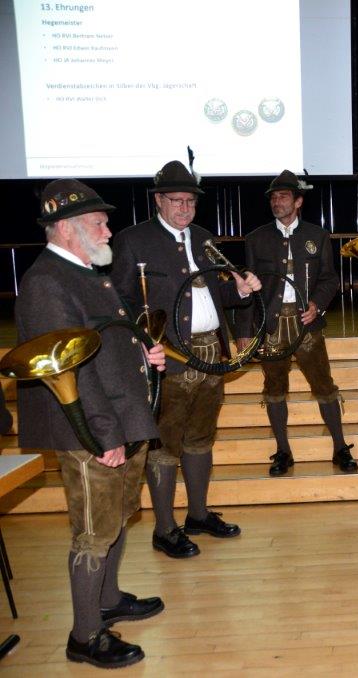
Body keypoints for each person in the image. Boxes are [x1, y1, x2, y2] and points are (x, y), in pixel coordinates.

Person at [17, 179, 166, 668]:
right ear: (66, 228)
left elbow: (106, 339)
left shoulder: (84, 272)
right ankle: (85, 636)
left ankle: (108, 599)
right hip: (91, 429)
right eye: (98, 223)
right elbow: (71, 369)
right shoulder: (47, 282)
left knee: (116, 516)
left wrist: (144, 352)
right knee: (93, 532)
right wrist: (103, 435)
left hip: (120, 416)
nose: (108, 230)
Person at [111, 160, 261, 559]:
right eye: (176, 201)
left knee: (200, 438)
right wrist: (140, 345)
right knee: (164, 445)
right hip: (169, 359)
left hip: (212, 354)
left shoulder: (204, 238)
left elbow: (214, 294)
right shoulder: (133, 241)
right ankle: (165, 529)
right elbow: (120, 304)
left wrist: (240, 289)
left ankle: (197, 515)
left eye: (190, 201)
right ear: (158, 201)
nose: (184, 208)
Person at [235, 170, 353, 476]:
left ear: (298, 202)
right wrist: (244, 332)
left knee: (324, 385)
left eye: (283, 197)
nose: (277, 202)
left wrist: (317, 305)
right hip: (271, 326)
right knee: (274, 388)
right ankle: (283, 451)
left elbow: (329, 279)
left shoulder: (317, 235)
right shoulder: (256, 238)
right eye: (273, 197)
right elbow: (246, 288)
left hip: (307, 324)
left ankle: (340, 447)